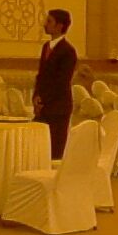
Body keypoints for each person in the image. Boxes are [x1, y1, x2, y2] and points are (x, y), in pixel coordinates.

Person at [33, 8, 78, 160]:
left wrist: (43, 100)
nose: (45, 24)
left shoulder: (68, 51)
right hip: (44, 106)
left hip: (58, 107)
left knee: (55, 149)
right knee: (40, 148)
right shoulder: (46, 47)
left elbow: (61, 82)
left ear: (59, 26)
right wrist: (36, 96)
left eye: (49, 21)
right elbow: (41, 75)